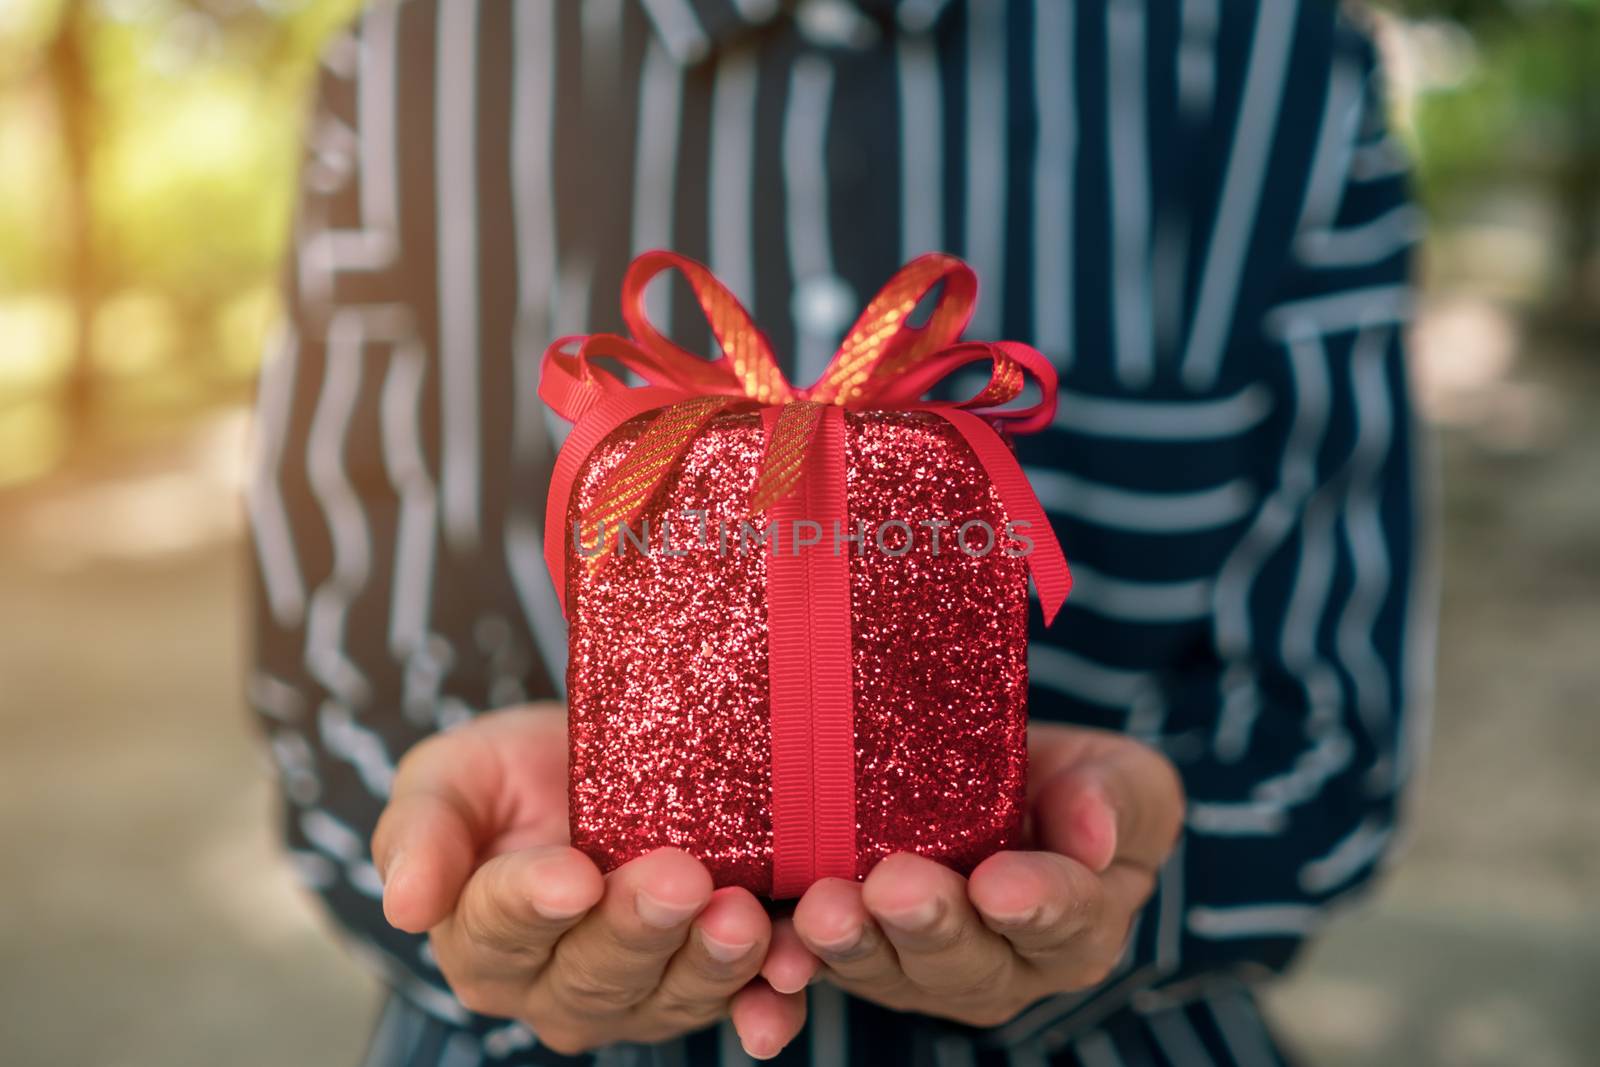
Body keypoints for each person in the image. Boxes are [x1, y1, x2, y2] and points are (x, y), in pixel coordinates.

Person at [247, 1, 1432, 1063]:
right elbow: (338, 686)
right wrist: (457, 897)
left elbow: (1329, 730)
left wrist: (1129, 887)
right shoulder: (419, 60)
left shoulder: (1266, 62)